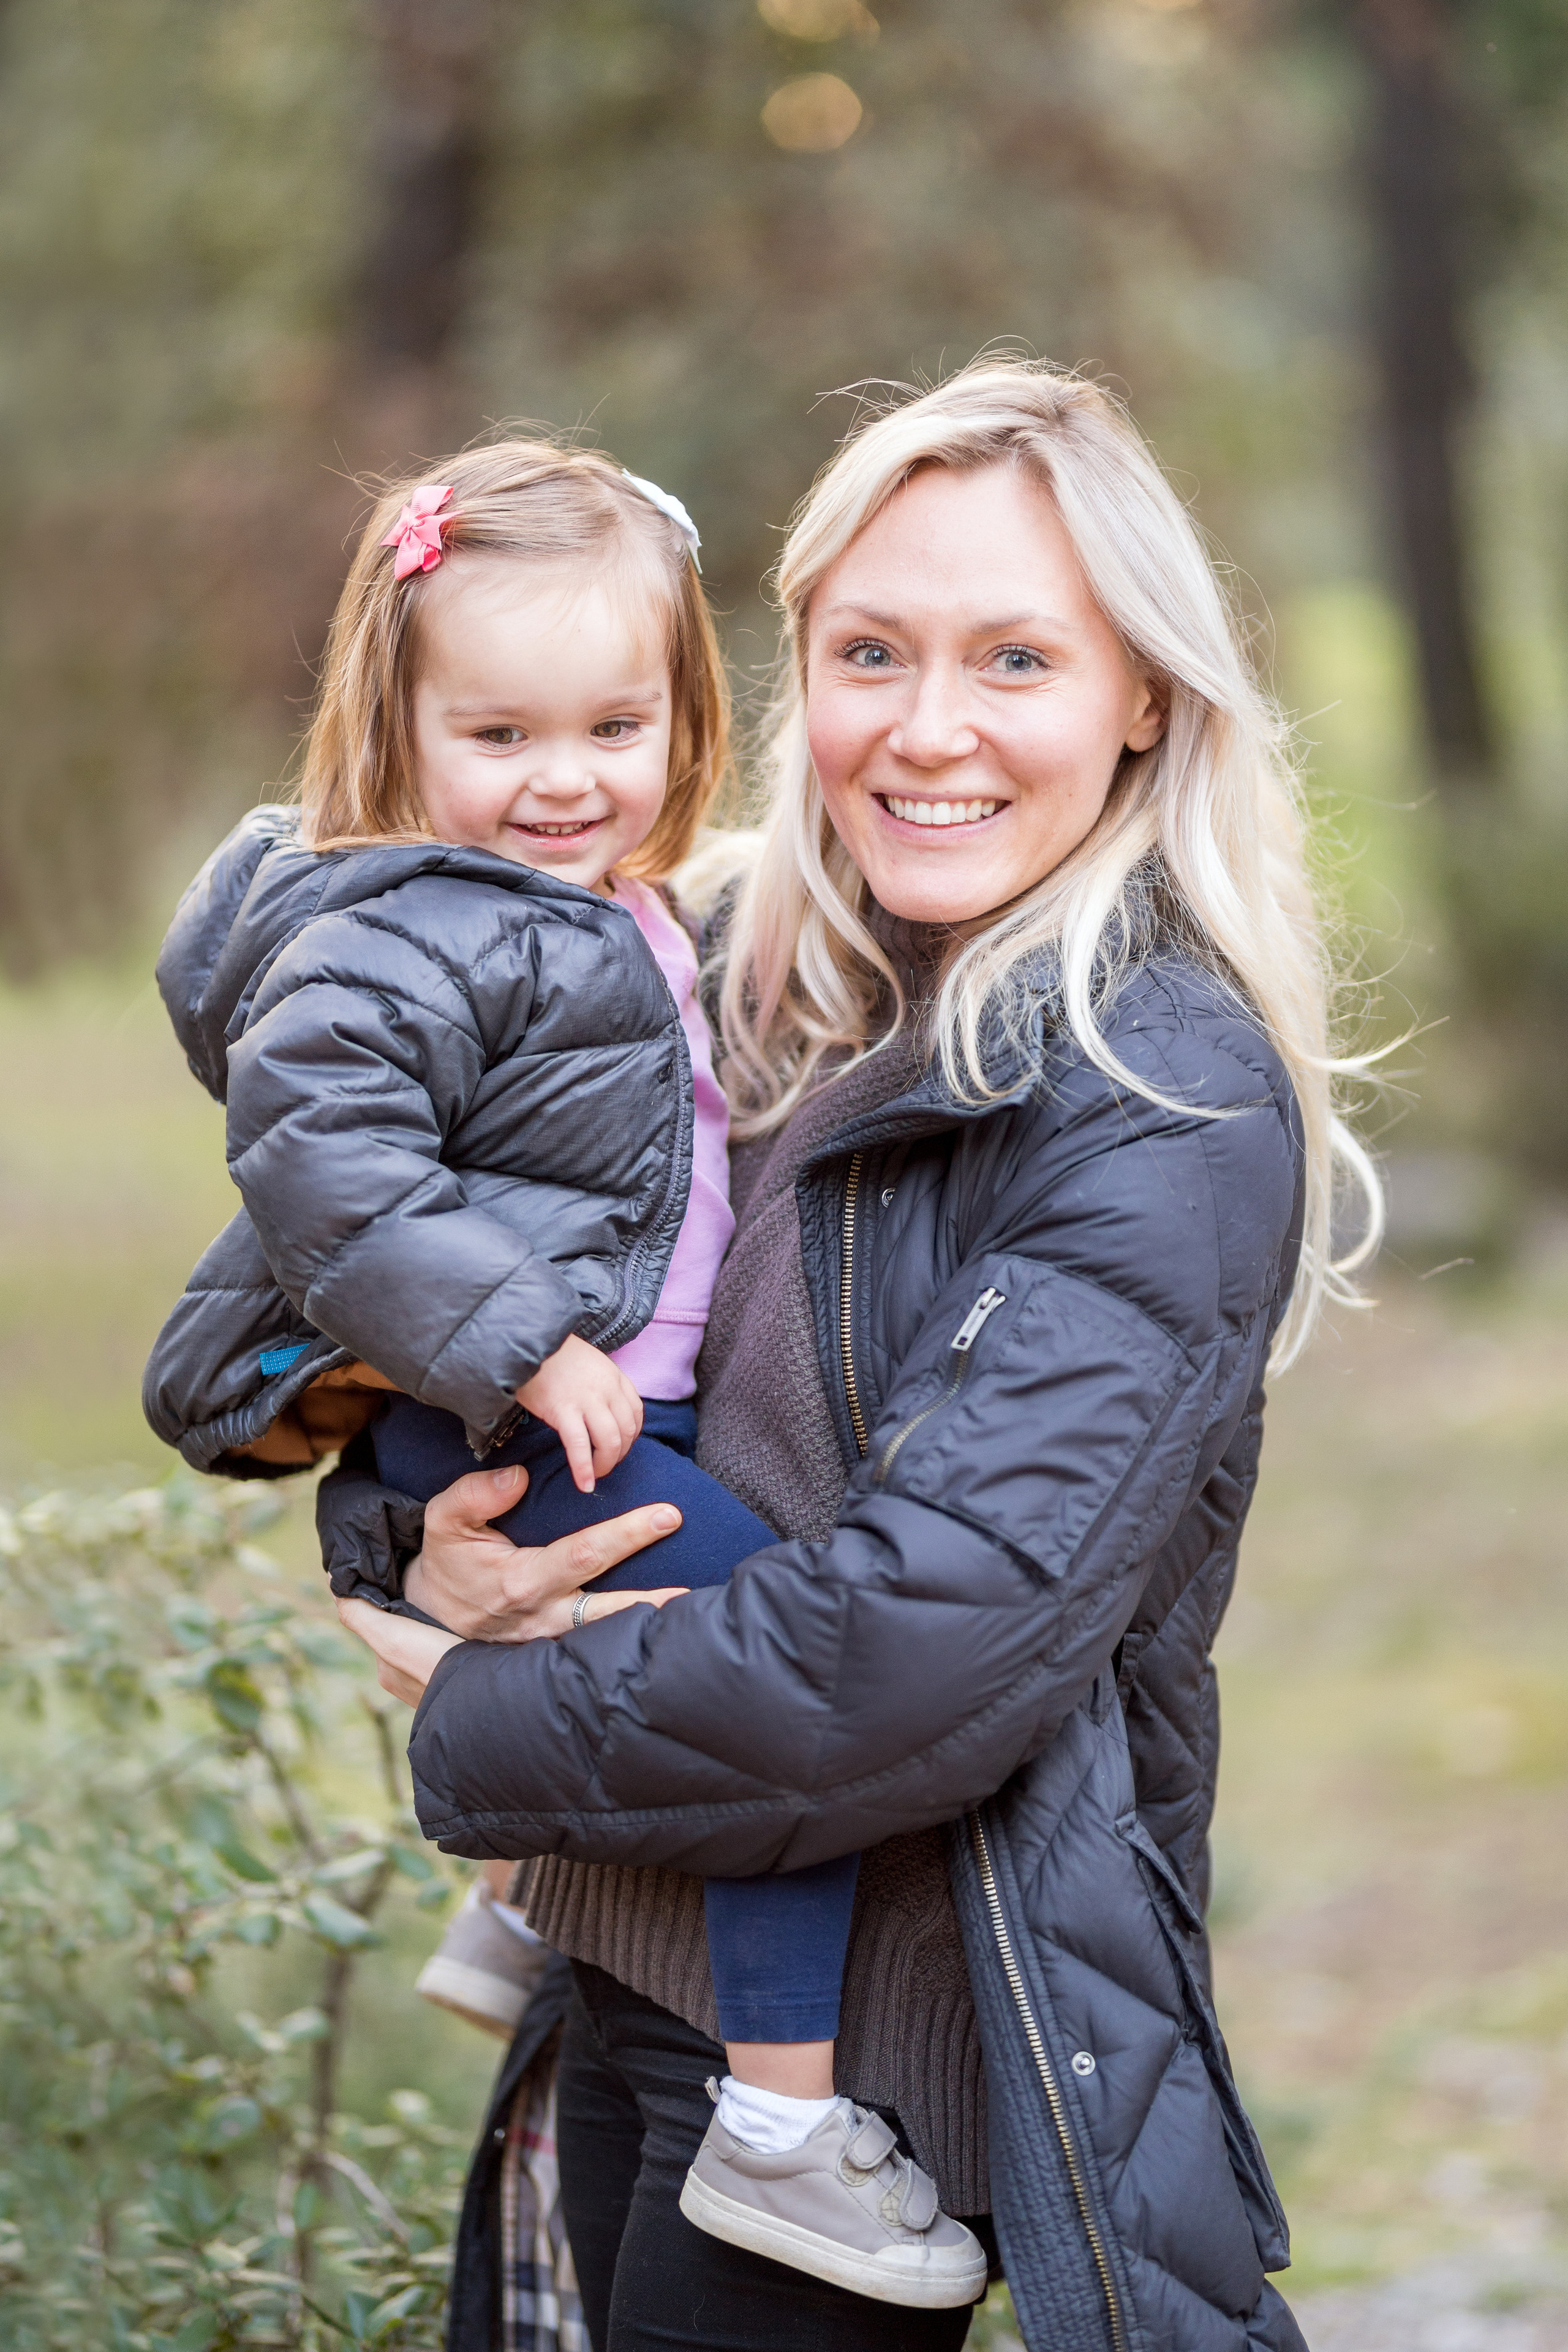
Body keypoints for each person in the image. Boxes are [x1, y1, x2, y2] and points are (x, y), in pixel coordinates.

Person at [330, 358, 1382, 2352]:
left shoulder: (1158, 1096)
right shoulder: (739, 983)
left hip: (861, 2080)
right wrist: (414, 1554)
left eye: (1014, 660)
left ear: (1142, 691)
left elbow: (914, 1659)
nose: (927, 730)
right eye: (870, 652)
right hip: (629, 1966)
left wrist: (468, 1713)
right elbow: (501, 1357)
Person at [139, 439, 984, 2308]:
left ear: (682, 713)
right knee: (791, 1678)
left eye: (616, 724)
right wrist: (518, 1335)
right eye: (501, 735)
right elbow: (321, 1160)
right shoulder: (407, 930)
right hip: (529, 1392)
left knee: (676, 1651)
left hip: (597, 1389)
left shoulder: (608, 897)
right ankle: (779, 2121)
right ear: (398, 724)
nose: (564, 779)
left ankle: (528, 1911)